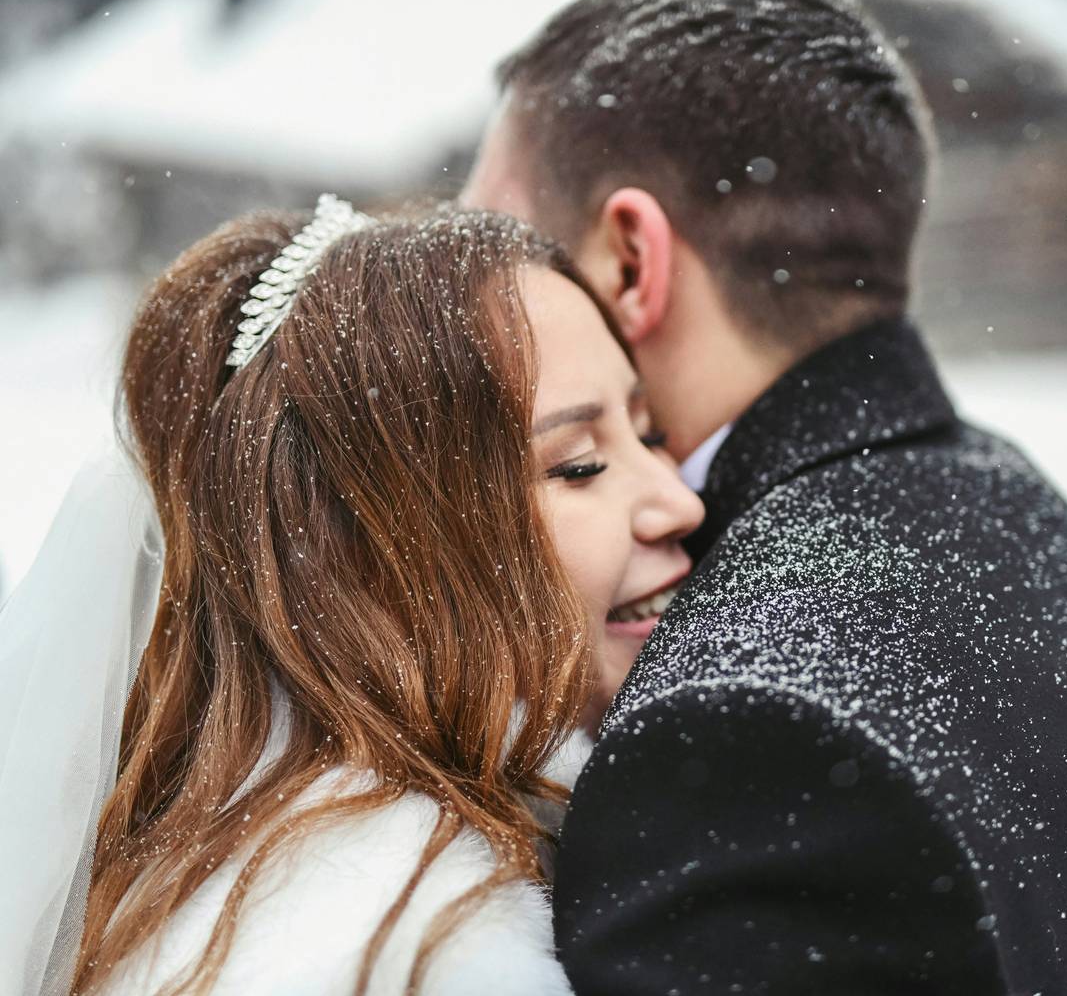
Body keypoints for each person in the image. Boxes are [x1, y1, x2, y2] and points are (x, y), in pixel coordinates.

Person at [461, 0, 1067, 992]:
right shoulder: (1011, 506)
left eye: (502, 253)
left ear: (633, 259)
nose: (467, 315)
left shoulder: (741, 736)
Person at [0, 197, 702, 994]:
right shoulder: (427, 948)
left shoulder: (241, 856)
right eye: (577, 464)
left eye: (648, 434)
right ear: (369, 555)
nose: (680, 501)